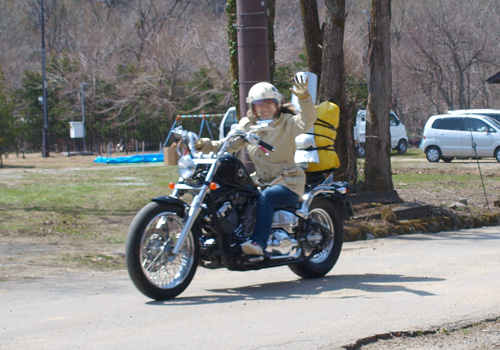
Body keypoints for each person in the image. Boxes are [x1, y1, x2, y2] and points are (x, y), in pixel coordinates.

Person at [195, 75, 317, 255]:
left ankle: (258, 243)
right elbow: (227, 145)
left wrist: (304, 98)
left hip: (288, 180)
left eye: (269, 104)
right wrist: (204, 145)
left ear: (277, 104)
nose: (264, 109)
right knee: (232, 194)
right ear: (252, 107)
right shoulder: (247, 126)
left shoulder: (287, 123)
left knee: (267, 197)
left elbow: (307, 120)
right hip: (260, 180)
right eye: (259, 105)